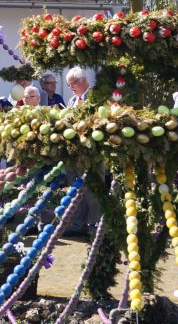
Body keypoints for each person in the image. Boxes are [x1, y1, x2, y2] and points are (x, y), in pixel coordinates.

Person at [63, 66, 100, 237]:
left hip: (91, 153)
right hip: (73, 153)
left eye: (73, 83)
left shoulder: (95, 98)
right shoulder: (71, 101)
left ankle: (95, 225)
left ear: (83, 80)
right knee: (75, 190)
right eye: (69, 85)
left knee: (92, 190)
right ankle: (78, 224)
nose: (71, 87)